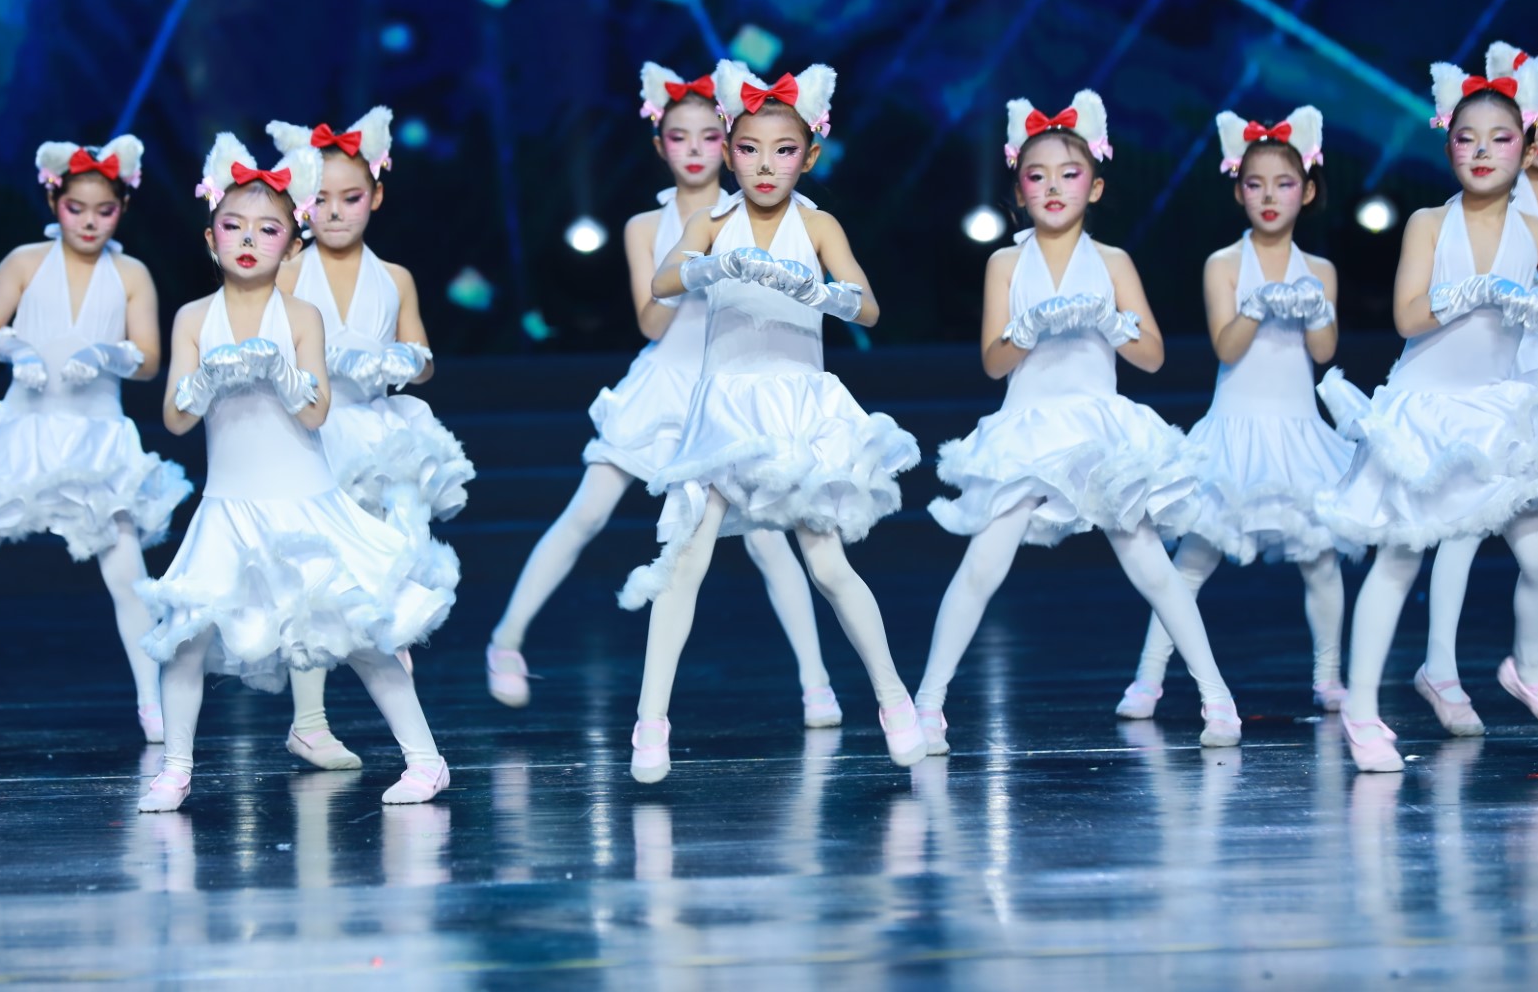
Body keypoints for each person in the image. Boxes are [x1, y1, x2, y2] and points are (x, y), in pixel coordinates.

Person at [486, 63, 842, 728]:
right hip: (665, 386)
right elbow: (651, 322)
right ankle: (506, 640)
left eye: (709, 137)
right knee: (587, 511)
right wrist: (698, 267)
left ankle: (816, 682)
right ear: (660, 144)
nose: (695, 150)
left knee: (768, 540)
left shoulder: (755, 211)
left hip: (735, 388)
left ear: (729, 145)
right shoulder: (645, 226)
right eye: (680, 137)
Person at [620, 60, 924, 782]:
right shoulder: (710, 220)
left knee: (828, 564)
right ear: (729, 153)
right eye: (750, 149)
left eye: (783, 150)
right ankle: (650, 723)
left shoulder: (817, 224)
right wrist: (708, 268)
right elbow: (663, 282)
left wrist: (817, 290)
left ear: (809, 157)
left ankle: (894, 699)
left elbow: (869, 306)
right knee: (685, 562)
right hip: (725, 407)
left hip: (796, 409)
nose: (765, 165)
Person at [136, 133, 457, 811]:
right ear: (211, 238)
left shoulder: (301, 315)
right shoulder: (194, 317)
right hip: (229, 507)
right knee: (187, 639)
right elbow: (174, 420)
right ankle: (175, 768)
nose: (249, 240)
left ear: (290, 244)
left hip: (306, 503)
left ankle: (427, 761)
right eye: (234, 226)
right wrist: (203, 383)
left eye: (268, 229)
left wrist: (283, 376)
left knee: (363, 636)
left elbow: (316, 414)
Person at [916, 91, 1242, 752]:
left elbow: (1152, 356)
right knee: (982, 565)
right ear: (1019, 190)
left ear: (1095, 187)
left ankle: (1217, 697)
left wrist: (1112, 324)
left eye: (1069, 174)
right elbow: (993, 363)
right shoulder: (1005, 263)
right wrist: (1027, 329)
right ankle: (927, 704)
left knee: (1151, 565)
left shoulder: (1113, 262)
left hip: (1099, 430)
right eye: (1037, 176)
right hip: (1029, 428)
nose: (1053, 187)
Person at [0, 135, 189, 741]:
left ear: (123, 207)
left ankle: (152, 702)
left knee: (125, 570)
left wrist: (109, 355)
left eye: (104, 210)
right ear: (53, 202)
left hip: (96, 439)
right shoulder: (24, 262)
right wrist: (12, 347)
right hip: (24, 432)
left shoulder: (131, 274)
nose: (89, 222)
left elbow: (150, 358)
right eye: (76, 208)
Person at [1315, 60, 1538, 771]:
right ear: (1448, 146)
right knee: (1400, 559)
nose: (1482, 151)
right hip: (1427, 413)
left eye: (1500, 138)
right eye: (1467, 138)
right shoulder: (1427, 222)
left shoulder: (1536, 225)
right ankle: (1361, 712)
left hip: (1499, 412)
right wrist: (1468, 293)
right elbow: (1409, 316)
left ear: (1525, 145)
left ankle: (1528, 667)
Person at [1115, 106, 1357, 721]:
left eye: (1284, 184)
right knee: (1192, 562)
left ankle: (1329, 676)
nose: (1269, 197)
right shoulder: (1223, 264)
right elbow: (1226, 347)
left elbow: (1324, 353)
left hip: (1299, 434)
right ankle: (1148, 679)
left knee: (1320, 560)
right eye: (1256, 184)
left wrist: (1315, 308)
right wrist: (1259, 305)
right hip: (1234, 431)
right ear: (1238, 191)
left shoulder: (1321, 270)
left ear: (1307, 191)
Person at [264, 108, 475, 771]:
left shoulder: (395, 277)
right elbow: (270, 352)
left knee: (394, 557)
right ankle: (309, 721)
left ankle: (394, 666)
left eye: (350, 197)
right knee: (317, 572)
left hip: (384, 437)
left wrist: (401, 360)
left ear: (376, 196)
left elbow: (422, 355)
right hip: (318, 431)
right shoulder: (291, 272)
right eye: (320, 199)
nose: (334, 212)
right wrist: (319, 366)